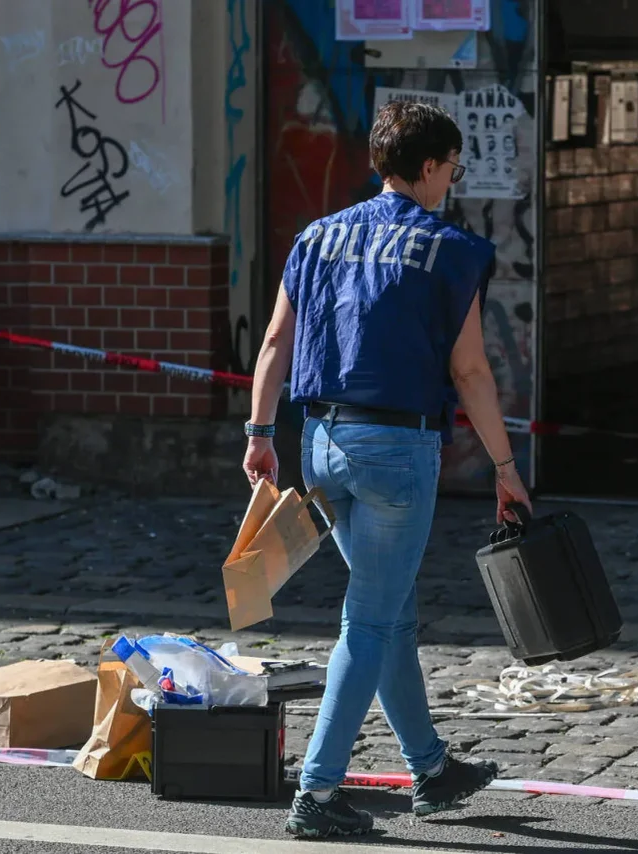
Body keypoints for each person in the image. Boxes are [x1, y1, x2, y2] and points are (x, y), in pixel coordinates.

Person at [243, 100, 533, 839]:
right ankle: (318, 792)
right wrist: (506, 466)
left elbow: (276, 342)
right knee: (370, 621)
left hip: (319, 446)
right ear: (429, 167)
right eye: (451, 170)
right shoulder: (451, 248)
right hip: (396, 452)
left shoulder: (316, 236)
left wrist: (257, 433)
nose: (452, 183)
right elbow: (469, 371)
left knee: (390, 610)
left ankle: (431, 769)